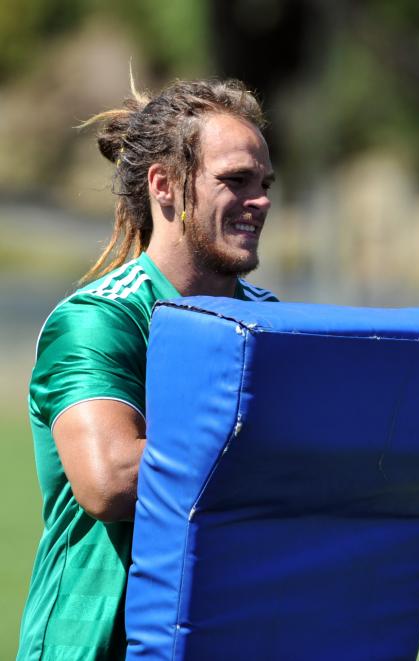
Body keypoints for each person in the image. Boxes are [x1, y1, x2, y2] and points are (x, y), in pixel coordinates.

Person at [17, 77, 277, 660]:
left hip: (229, 636)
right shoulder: (97, 321)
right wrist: (278, 444)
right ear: (165, 185)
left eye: (264, 183)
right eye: (236, 180)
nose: (260, 200)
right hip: (95, 644)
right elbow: (109, 481)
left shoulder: (273, 324)